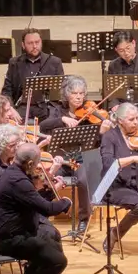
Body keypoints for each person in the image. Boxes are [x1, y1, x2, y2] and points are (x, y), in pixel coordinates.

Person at [0, 130, 71, 274]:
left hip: (21, 230)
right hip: (11, 240)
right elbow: (46, 209)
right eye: (36, 164)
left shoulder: (14, 172)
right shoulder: (17, 180)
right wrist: (66, 202)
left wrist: (51, 190)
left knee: (53, 236)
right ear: (28, 163)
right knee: (58, 261)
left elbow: (33, 201)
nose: (38, 167)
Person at [44, 74, 105, 239]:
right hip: (62, 160)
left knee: (84, 180)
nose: (79, 97)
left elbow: (97, 139)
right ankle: (43, 215)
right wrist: (62, 119)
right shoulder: (57, 110)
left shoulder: (89, 113)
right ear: (66, 95)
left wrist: (102, 129)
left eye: (81, 93)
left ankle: (84, 218)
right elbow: (44, 125)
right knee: (45, 179)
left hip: (80, 159)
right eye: (74, 93)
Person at [98, 102, 138, 254]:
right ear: (120, 120)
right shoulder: (110, 137)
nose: (136, 122)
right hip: (115, 186)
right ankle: (115, 233)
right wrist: (134, 158)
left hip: (137, 184)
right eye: (131, 119)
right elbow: (108, 163)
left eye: (137, 118)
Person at [0, 28, 64, 124]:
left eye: (37, 42)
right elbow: (6, 91)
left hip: (46, 107)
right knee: (10, 123)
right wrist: (11, 109)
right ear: (23, 45)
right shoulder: (14, 63)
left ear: (41, 42)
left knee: (52, 122)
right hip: (22, 107)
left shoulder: (54, 62)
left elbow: (61, 89)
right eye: (30, 43)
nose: (34, 46)